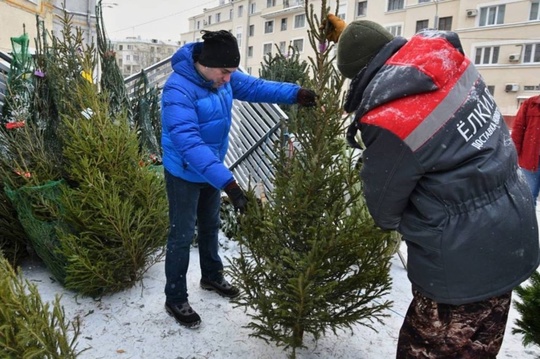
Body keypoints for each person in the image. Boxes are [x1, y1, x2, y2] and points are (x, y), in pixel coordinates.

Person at [334, 19, 540, 358]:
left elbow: (383, 211)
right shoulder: (451, 65)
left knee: (428, 349)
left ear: (359, 75)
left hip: (459, 264)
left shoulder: (390, 117)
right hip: (513, 234)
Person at [160, 29, 316, 329]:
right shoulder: (178, 90)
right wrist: (229, 184)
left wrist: (295, 93)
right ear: (206, 64)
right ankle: (175, 296)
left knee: (211, 224)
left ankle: (212, 277)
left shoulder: (222, 78)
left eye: (232, 72)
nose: (229, 78)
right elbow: (189, 143)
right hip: (183, 171)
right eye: (225, 72)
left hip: (212, 167)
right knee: (181, 235)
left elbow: (258, 88)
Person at [511, 94, 540, 204]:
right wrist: (514, 155)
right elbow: (518, 130)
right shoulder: (530, 104)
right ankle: (529, 221)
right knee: (528, 198)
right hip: (531, 161)